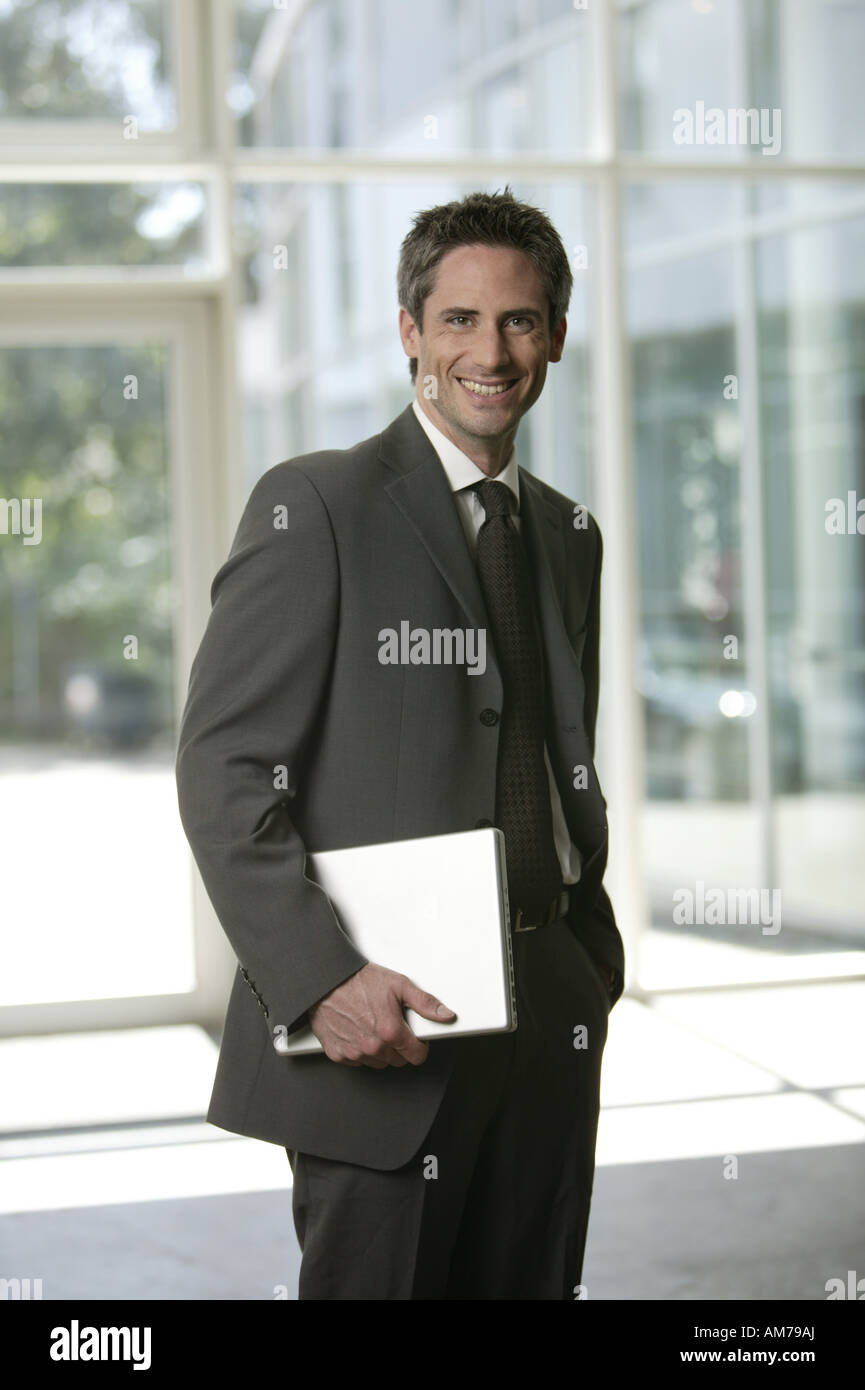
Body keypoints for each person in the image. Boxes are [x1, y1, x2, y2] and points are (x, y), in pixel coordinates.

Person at [175, 187, 625, 1300]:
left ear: (556, 336)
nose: (491, 349)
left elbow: (556, 748)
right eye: (460, 320)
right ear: (410, 333)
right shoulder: (317, 506)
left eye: (519, 320)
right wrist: (321, 980)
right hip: (386, 1024)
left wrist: (589, 951)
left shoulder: (567, 535)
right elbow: (224, 769)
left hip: (547, 1012)